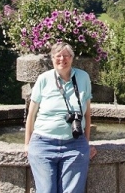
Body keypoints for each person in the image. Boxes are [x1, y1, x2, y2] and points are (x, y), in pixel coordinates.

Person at [25, 43, 98, 193]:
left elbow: (87, 115)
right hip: (43, 144)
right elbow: (31, 115)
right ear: (52, 58)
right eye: (58, 55)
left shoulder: (83, 78)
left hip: (75, 145)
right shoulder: (43, 79)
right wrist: (27, 144)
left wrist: (86, 141)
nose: (62, 59)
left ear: (72, 58)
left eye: (66, 55)